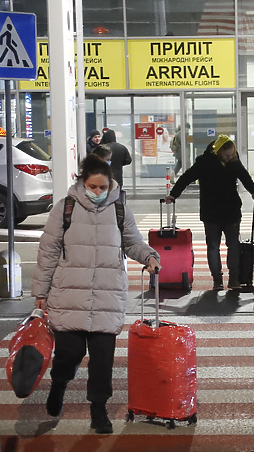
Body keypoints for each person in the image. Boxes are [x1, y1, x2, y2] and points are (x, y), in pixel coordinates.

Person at [31, 153, 160, 434]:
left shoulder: (120, 209)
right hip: (69, 295)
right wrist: (40, 292)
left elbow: (132, 242)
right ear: (82, 183)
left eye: (103, 187)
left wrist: (148, 256)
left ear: (111, 184)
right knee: (69, 353)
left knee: (103, 359)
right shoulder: (63, 208)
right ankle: (59, 384)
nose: (98, 192)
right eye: (93, 187)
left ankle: (98, 411)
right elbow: (48, 251)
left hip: (107, 295)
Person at [165, 134, 254, 290]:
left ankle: (234, 279)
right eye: (226, 155)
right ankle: (217, 280)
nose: (229, 158)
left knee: (233, 245)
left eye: (231, 154)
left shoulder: (234, 162)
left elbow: (245, 177)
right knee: (213, 246)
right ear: (217, 151)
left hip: (231, 211)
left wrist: (253, 191)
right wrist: (174, 195)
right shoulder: (204, 163)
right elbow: (186, 178)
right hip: (211, 212)